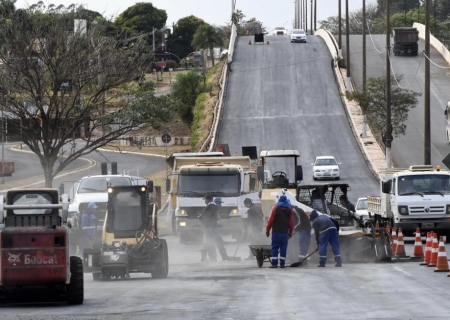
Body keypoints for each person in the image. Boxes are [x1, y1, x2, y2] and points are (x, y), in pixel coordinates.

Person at [265, 195, 294, 268]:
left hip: (276, 231)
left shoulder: (275, 208)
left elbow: (270, 220)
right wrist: (290, 231)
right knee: (283, 248)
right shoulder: (289, 209)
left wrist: (267, 230)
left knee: (275, 247)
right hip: (284, 232)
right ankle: (282, 264)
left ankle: (274, 264)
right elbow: (291, 222)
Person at [198, 194, 221, 262]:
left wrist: (200, 217)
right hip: (214, 226)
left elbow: (207, 217)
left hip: (209, 227)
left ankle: (212, 257)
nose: (205, 201)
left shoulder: (209, 207)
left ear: (207, 199)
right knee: (210, 242)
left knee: (209, 242)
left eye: (205, 199)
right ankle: (211, 257)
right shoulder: (215, 207)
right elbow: (218, 217)